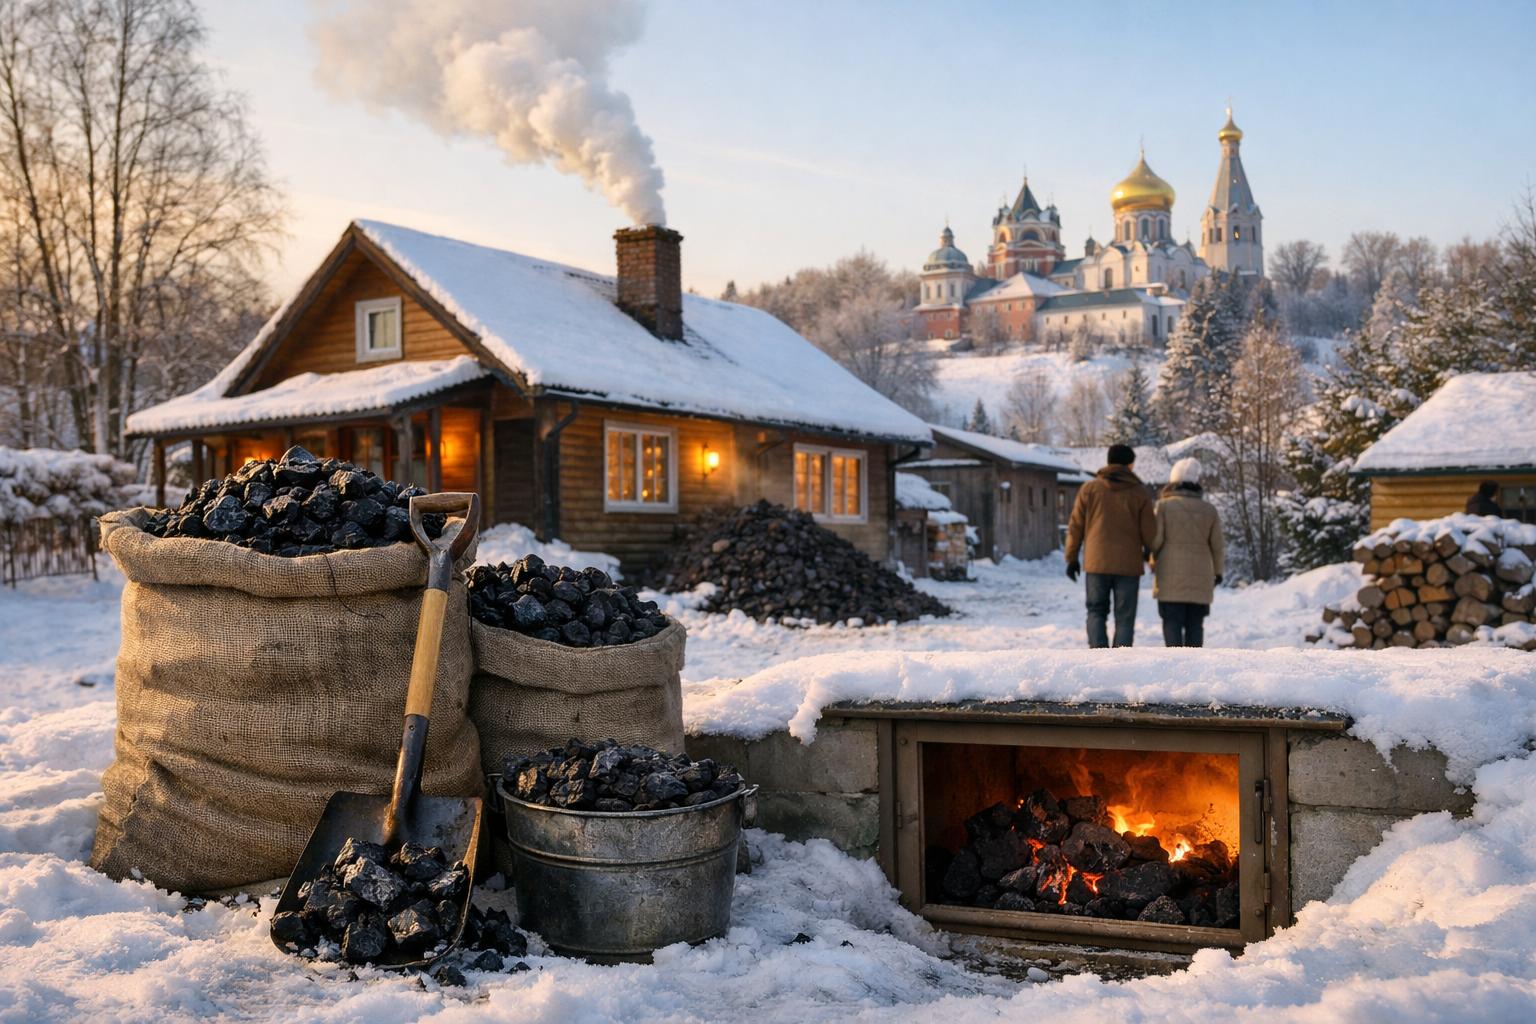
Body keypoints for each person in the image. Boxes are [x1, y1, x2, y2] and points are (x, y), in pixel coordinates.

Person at [1065, 443, 1156, 648]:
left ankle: (1099, 658)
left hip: (1097, 563)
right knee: (1124, 617)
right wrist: (1150, 552)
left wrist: (1071, 558)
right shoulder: (1139, 492)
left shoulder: (1089, 489)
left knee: (1096, 611)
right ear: (1130, 465)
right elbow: (1150, 530)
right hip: (1128, 565)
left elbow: (1075, 526)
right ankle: (1120, 661)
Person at [1150, 457, 1225, 648]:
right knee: (1195, 625)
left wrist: (1152, 559)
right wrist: (1218, 572)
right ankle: (1194, 668)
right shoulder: (1209, 510)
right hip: (1200, 579)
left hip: (1169, 577)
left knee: (1171, 623)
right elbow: (1217, 545)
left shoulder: (1164, 507)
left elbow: (1156, 540)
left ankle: (1174, 668)